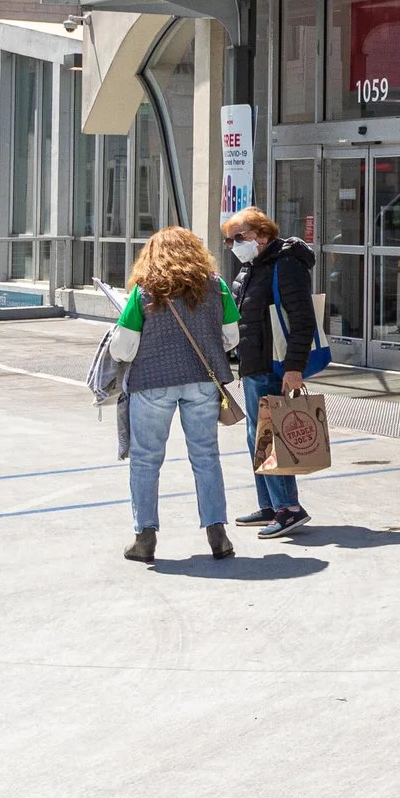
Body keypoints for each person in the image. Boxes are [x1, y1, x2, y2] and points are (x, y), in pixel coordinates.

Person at [110, 226, 239, 564]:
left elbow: (124, 347)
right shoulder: (217, 287)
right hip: (201, 382)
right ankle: (217, 533)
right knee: (206, 457)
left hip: (152, 383)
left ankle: (145, 538)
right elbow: (231, 339)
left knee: (146, 460)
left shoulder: (144, 290)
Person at [224, 206, 320, 539]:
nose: (234, 244)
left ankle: (289, 508)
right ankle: (269, 504)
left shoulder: (284, 264)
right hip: (254, 365)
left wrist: (295, 367)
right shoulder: (252, 267)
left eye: (240, 237)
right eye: (230, 240)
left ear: (263, 236)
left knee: (270, 436)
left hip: (274, 366)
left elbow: (303, 319)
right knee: (256, 436)